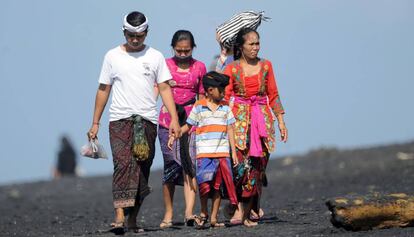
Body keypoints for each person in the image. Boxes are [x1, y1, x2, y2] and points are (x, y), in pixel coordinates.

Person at [87, 11, 181, 233]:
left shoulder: (155, 56)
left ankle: (133, 219)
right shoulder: (112, 56)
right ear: (124, 32)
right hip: (119, 119)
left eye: (139, 35)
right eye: (131, 35)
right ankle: (119, 214)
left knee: (141, 169)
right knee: (122, 164)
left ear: (147, 32)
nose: (135, 39)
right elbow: (103, 89)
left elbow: (165, 88)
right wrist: (95, 122)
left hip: (147, 120)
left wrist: (175, 120)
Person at [223, 28, 288, 227]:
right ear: (241, 47)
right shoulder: (232, 69)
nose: (255, 47)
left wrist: (281, 121)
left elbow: (273, 95)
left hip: (262, 121)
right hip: (240, 122)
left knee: (258, 168)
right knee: (242, 168)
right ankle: (239, 208)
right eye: (251, 44)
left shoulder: (267, 66)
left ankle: (249, 208)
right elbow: (225, 98)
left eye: (257, 43)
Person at [168, 71, 239, 229]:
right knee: (204, 185)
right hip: (203, 154)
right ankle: (204, 211)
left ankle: (213, 217)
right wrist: (176, 135)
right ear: (210, 90)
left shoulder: (225, 107)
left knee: (217, 187)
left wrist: (233, 152)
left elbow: (230, 129)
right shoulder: (199, 107)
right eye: (221, 90)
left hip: (222, 154)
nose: (223, 93)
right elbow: (189, 125)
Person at [158, 30, 206, 228]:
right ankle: (168, 213)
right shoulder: (165, 66)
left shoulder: (200, 67)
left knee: (189, 166)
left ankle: (188, 212)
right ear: (173, 48)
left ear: (193, 48)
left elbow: (203, 96)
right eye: (179, 50)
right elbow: (157, 90)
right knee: (170, 166)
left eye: (187, 50)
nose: (183, 54)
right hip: (166, 120)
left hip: (191, 120)